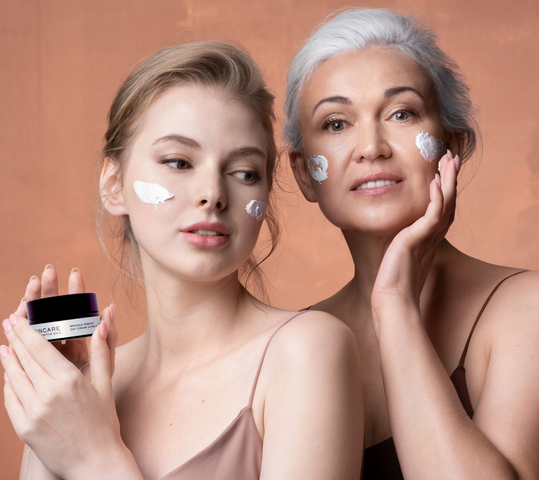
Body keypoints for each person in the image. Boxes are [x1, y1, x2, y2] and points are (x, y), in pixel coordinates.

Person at [1, 41, 364, 480]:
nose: (212, 193)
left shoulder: (306, 351)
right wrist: (54, 395)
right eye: (179, 162)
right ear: (114, 186)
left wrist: (95, 461)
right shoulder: (89, 386)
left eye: (245, 172)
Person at [285, 9, 539, 479]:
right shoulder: (292, 343)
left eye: (401, 113)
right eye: (335, 124)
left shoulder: (538, 306)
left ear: (454, 146)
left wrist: (395, 305)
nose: (371, 146)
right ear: (305, 173)